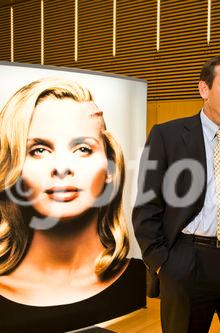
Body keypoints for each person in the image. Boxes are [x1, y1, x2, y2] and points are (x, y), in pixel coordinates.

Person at [132, 55, 220, 333]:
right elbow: (147, 207)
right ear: (204, 90)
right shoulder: (167, 136)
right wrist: (162, 264)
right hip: (188, 263)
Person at [0, 78, 145, 332]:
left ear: (110, 164)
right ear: (13, 167)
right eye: (39, 150)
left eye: (82, 149)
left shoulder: (138, 279)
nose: (62, 167)